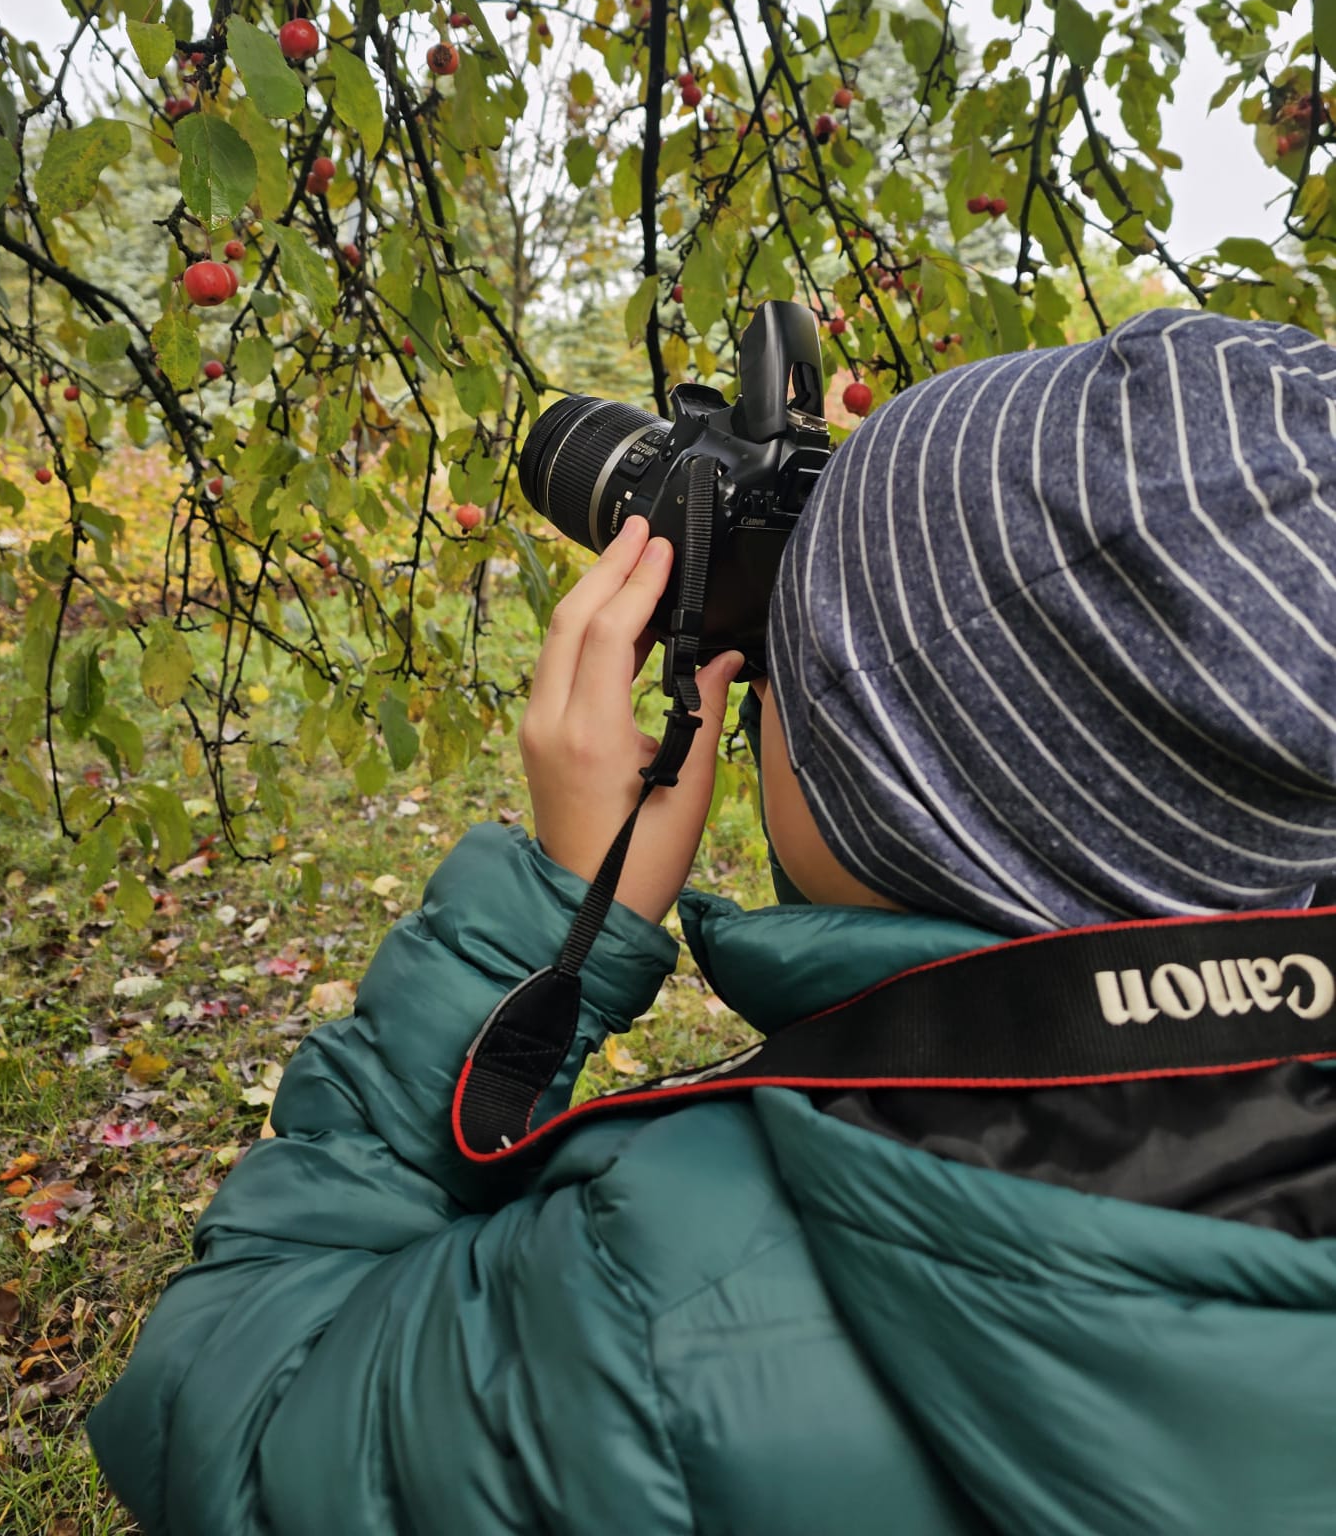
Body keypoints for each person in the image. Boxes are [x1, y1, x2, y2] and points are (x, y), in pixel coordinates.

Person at [88, 308, 1336, 1534]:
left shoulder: (664, 1302)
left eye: (798, 658)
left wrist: (542, 924)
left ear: (904, 792)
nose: (768, 693)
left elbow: (235, 1413)